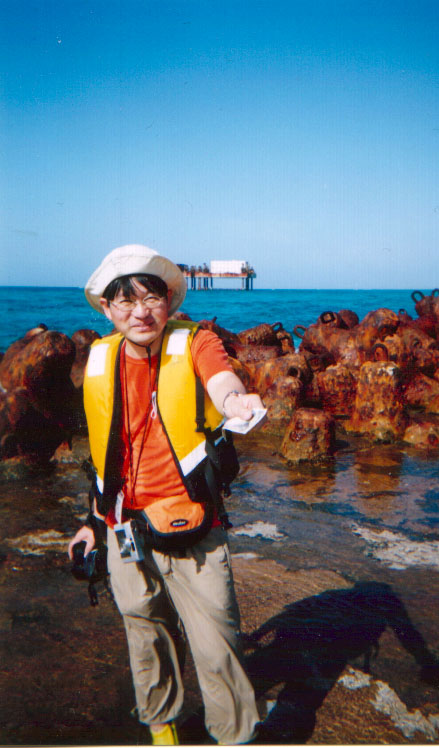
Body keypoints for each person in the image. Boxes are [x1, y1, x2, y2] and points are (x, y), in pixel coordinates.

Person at [68, 244, 263, 745]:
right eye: (126, 301)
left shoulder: (197, 342)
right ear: (108, 309)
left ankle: (234, 736)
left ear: (170, 301)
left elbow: (221, 380)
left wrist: (235, 401)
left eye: (151, 298)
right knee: (145, 636)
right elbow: (105, 455)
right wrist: (92, 524)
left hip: (193, 523)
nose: (140, 312)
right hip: (124, 529)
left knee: (218, 646)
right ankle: (163, 730)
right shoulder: (100, 359)